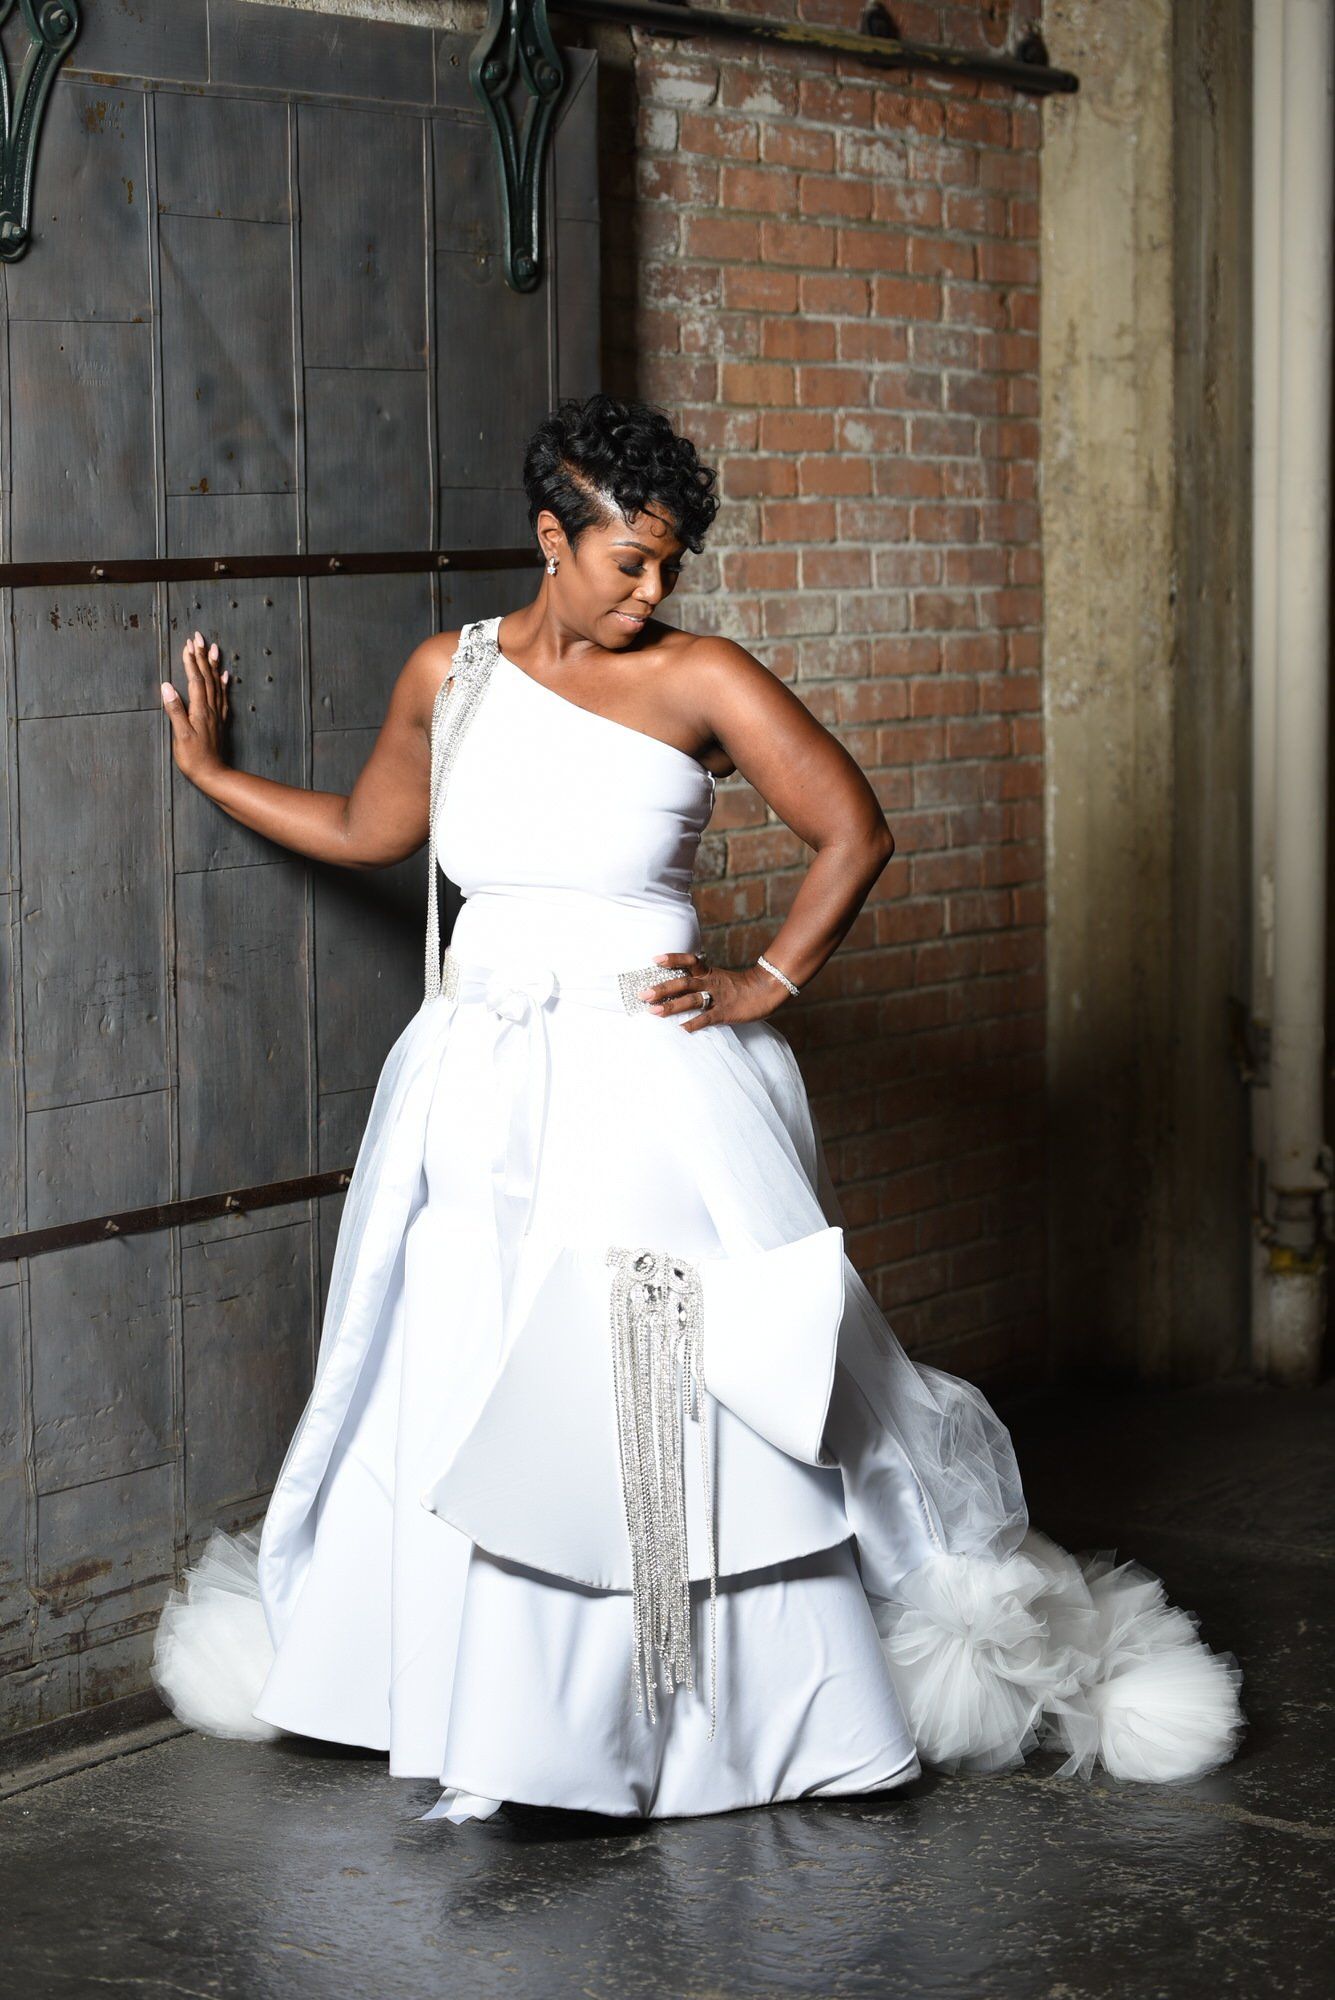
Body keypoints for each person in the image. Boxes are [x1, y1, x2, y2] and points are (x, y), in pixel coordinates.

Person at [151, 393, 1244, 1823]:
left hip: (645, 1085)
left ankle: (668, 1721)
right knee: (464, 1361)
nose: (653, 589)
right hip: (476, 1082)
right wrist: (214, 772)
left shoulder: (703, 676)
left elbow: (853, 831)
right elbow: (374, 831)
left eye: (672, 563)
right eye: (631, 561)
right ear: (554, 539)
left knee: (646, 1378)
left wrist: (763, 981)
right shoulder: (449, 672)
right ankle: (464, 1699)